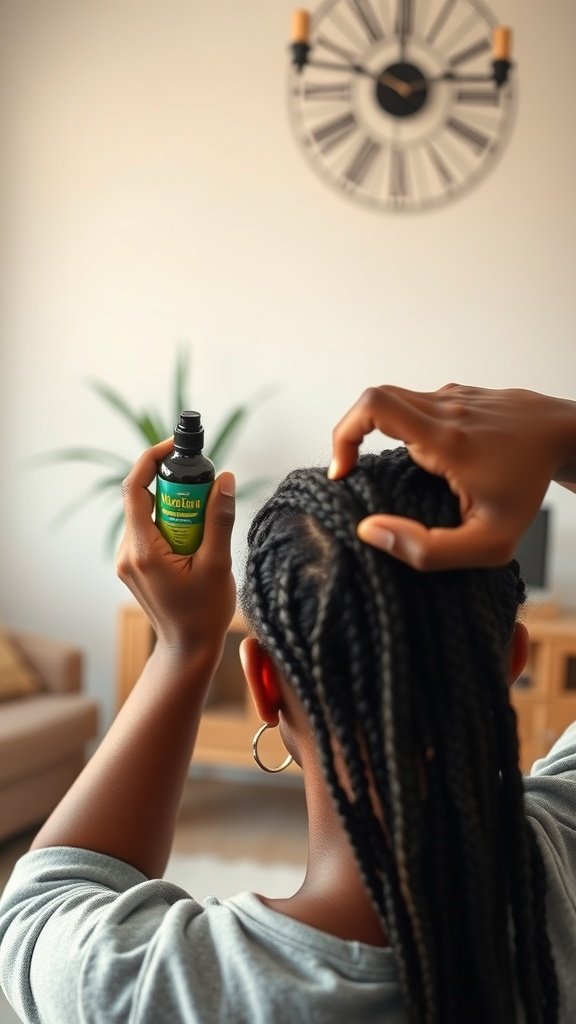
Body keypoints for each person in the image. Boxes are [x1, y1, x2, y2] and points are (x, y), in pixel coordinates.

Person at [0, 382, 575, 1024]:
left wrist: (183, 649)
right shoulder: (567, 855)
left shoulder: (156, 987)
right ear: (513, 661)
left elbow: (44, 895)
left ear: (263, 682)